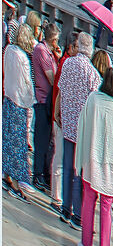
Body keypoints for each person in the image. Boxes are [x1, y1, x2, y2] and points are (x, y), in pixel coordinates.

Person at [73, 66, 113, 246]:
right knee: (106, 206)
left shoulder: (93, 100)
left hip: (92, 157)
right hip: (110, 165)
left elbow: (83, 125)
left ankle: (85, 242)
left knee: (89, 199)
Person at [54, 32, 99, 229]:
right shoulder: (92, 74)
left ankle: (65, 207)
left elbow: (61, 90)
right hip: (83, 127)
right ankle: (78, 214)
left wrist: (57, 112)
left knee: (66, 164)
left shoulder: (68, 64)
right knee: (78, 171)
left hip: (68, 121)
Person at [2, 23, 35, 199]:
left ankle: (5, 174)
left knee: (6, 138)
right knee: (17, 144)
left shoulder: (8, 50)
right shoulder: (22, 57)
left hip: (8, 97)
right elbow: (27, 83)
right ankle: (15, 183)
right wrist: (31, 100)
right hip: (19, 102)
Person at [29, 22, 57, 198]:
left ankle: (43, 173)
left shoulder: (49, 52)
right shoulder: (41, 51)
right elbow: (52, 77)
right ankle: (38, 174)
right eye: (55, 40)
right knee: (41, 140)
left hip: (47, 100)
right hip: (42, 99)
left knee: (47, 140)